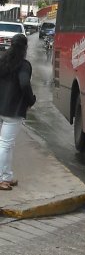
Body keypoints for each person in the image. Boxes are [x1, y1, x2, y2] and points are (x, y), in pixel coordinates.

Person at [0, 34, 36, 191]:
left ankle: (6, 175)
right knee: (6, 144)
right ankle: (2, 180)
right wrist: (31, 100)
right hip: (12, 111)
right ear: (25, 47)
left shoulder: (2, 61)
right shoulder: (24, 65)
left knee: (6, 144)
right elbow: (24, 83)